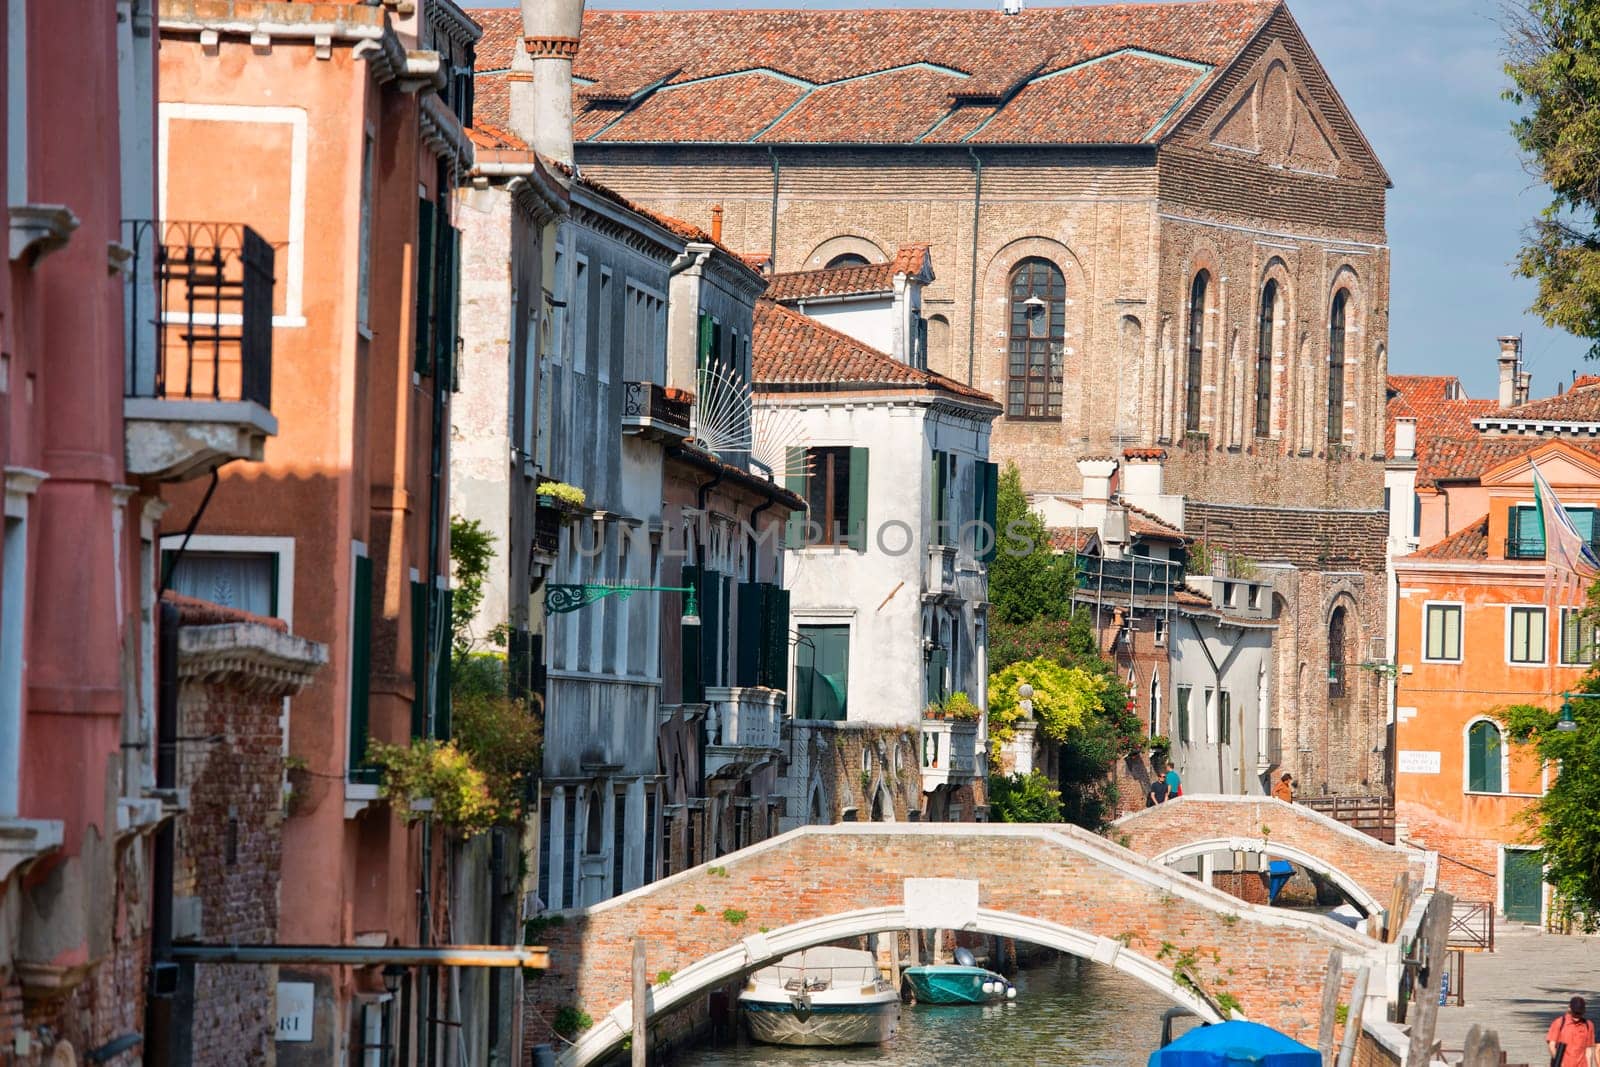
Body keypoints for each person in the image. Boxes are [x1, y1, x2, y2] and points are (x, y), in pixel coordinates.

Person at [1548, 996, 1597, 1066]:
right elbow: (1551, 1046)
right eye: (1575, 1012)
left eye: (1579, 1013)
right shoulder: (1559, 1023)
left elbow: (1588, 1049)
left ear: (1584, 1011)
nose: (1577, 1016)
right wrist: (1560, 1063)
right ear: (1569, 1008)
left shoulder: (1588, 1025)